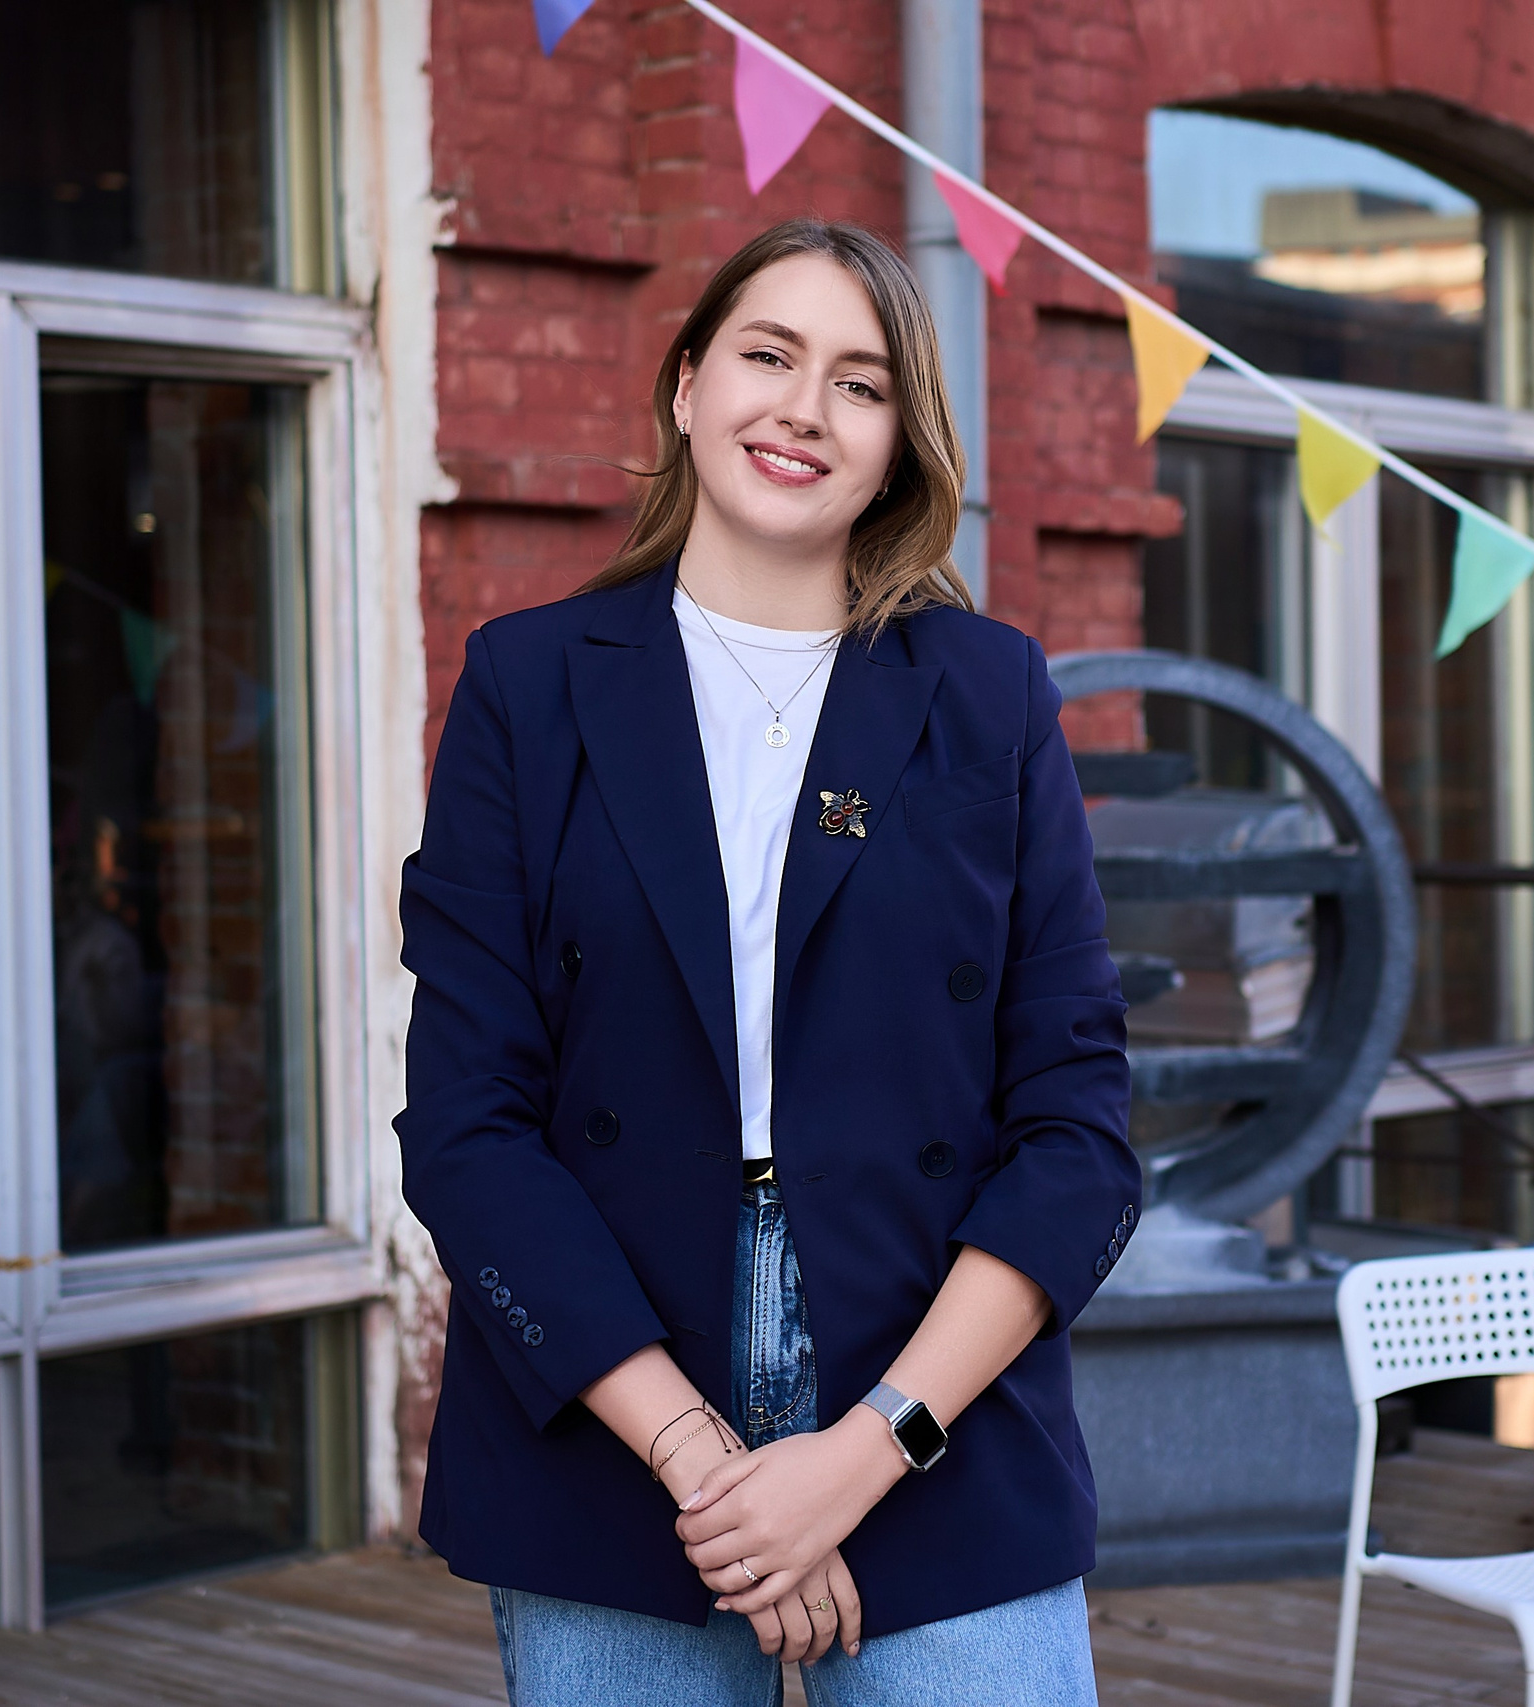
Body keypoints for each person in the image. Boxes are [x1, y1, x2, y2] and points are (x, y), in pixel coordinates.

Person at [396, 216, 1139, 1707]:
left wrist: (865, 1455)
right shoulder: (529, 685)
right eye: (768, 355)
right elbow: (468, 1126)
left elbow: (1077, 1126)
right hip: (618, 1383)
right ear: (685, 387)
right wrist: (707, 1464)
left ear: (900, 447)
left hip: (930, 1372)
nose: (804, 408)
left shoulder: (985, 692)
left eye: (861, 384)